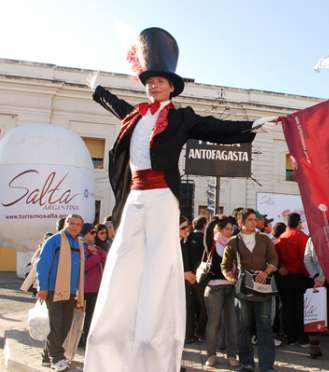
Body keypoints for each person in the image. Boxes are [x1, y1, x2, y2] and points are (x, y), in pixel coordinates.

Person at [83, 27, 263, 372]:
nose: (153, 86)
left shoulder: (181, 118)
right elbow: (116, 105)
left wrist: (250, 125)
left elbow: (214, 127)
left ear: (171, 86)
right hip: (134, 197)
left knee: (159, 266)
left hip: (162, 197)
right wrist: (97, 90)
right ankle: (111, 341)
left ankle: (154, 342)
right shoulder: (134, 116)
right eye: (149, 81)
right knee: (122, 260)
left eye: (160, 82)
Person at [221, 208, 278, 372]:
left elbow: (274, 258)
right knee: (243, 327)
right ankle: (247, 363)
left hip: (263, 289)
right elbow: (225, 266)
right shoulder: (233, 241)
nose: (255, 222)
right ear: (241, 222)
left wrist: (266, 271)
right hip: (243, 291)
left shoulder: (265, 239)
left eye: (255, 219)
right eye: (251, 219)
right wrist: (233, 279)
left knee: (265, 326)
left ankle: (267, 366)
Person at [36, 214, 85, 371]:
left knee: (64, 326)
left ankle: (46, 355)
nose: (75, 226)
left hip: (71, 291)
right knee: (56, 325)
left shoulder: (79, 243)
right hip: (52, 289)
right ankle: (57, 358)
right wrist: (42, 287)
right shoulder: (54, 241)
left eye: (78, 224)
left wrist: (80, 294)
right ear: (66, 223)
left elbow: (80, 270)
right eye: (72, 223)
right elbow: (43, 264)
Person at [202, 218, 239, 368]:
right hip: (214, 287)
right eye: (227, 229)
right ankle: (211, 355)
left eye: (231, 229)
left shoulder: (233, 244)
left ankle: (232, 355)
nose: (230, 231)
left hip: (231, 287)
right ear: (220, 229)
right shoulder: (212, 243)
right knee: (213, 323)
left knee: (232, 323)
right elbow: (207, 232)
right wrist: (215, 220)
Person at [275, 212, 311, 346]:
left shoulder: (280, 238)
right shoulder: (302, 237)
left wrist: (281, 267)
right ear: (298, 222)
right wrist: (310, 276)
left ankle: (291, 337)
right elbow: (306, 259)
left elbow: (275, 258)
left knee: (287, 307)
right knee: (301, 308)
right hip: (300, 277)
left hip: (284, 277)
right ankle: (302, 338)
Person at [80, 224, 107, 347]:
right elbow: (83, 266)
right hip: (83, 289)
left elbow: (106, 259)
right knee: (79, 317)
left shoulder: (96, 247)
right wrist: (95, 256)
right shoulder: (80, 247)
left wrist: (97, 253)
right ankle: (78, 339)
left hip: (96, 289)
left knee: (91, 316)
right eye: (91, 232)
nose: (94, 234)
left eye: (95, 232)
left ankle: (86, 339)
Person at [183, 216, 208, 343]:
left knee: (190, 306)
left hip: (188, 276)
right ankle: (201, 332)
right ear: (204, 225)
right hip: (201, 277)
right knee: (205, 306)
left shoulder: (187, 239)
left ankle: (189, 334)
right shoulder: (205, 240)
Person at [303, 238, 325, 359]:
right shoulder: (312, 238)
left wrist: (316, 277)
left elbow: (307, 259)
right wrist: (319, 278)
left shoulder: (312, 238)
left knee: (314, 312)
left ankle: (314, 348)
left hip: (317, 281)